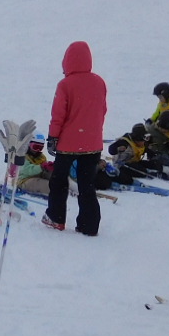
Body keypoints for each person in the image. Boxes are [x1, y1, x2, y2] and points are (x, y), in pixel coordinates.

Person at [42, 41, 107, 235]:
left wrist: (53, 137)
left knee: (59, 181)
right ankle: (89, 225)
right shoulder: (99, 82)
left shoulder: (65, 84)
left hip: (68, 143)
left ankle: (56, 218)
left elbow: (58, 115)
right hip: (93, 143)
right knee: (87, 184)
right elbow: (102, 111)